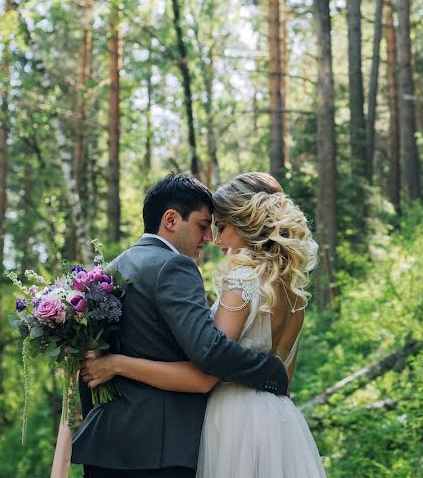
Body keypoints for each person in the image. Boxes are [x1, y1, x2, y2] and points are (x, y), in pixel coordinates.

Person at [79, 172, 326, 477]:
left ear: (247, 224)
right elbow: (281, 381)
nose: (214, 239)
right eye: (206, 226)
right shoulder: (295, 296)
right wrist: (270, 372)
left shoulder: (110, 271)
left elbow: (208, 368)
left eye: (221, 227)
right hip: (281, 425)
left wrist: (115, 365)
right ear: (171, 220)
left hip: (234, 422)